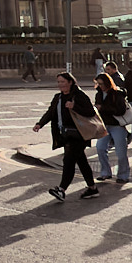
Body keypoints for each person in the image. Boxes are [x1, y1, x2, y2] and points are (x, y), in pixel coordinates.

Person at [33, 72, 101, 202]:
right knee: (81, 161)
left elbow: (90, 112)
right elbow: (50, 113)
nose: (60, 84)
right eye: (58, 82)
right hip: (66, 135)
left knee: (68, 161)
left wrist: (75, 106)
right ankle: (92, 188)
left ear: (70, 82)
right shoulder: (58, 97)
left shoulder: (79, 96)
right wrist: (40, 124)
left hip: (79, 135)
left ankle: (61, 189)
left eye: (63, 82)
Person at [93, 71, 132, 182]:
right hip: (105, 126)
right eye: (98, 84)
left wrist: (103, 108)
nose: (100, 86)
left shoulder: (117, 94)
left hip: (117, 126)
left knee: (121, 152)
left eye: (102, 84)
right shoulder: (99, 94)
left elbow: (121, 110)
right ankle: (105, 172)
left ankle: (123, 175)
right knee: (100, 148)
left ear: (108, 83)